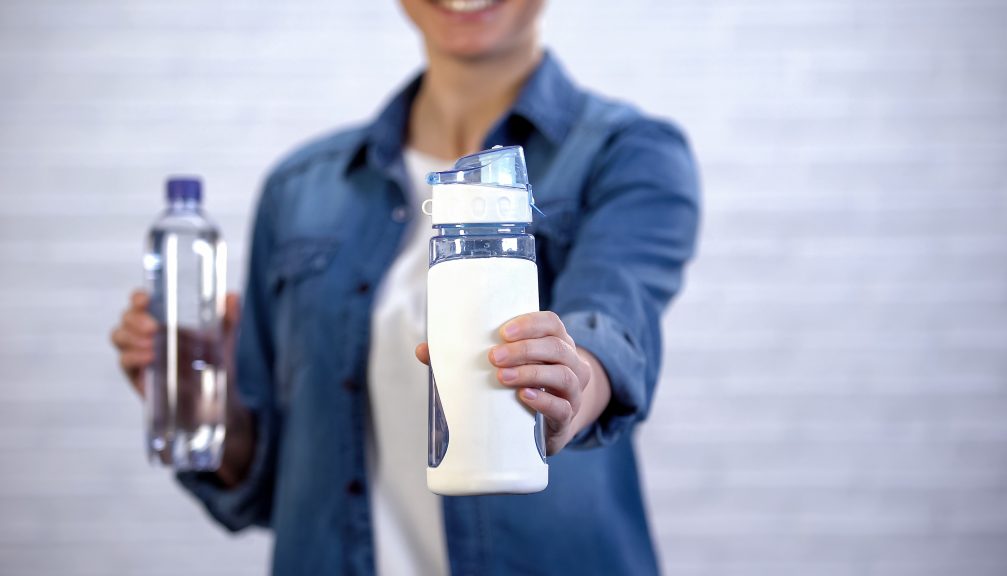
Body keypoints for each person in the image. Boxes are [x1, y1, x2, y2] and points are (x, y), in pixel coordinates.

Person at [110, 0, 700, 574]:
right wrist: (203, 392)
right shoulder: (301, 189)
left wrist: (572, 388)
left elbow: (612, 325)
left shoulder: (627, 155)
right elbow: (270, 489)